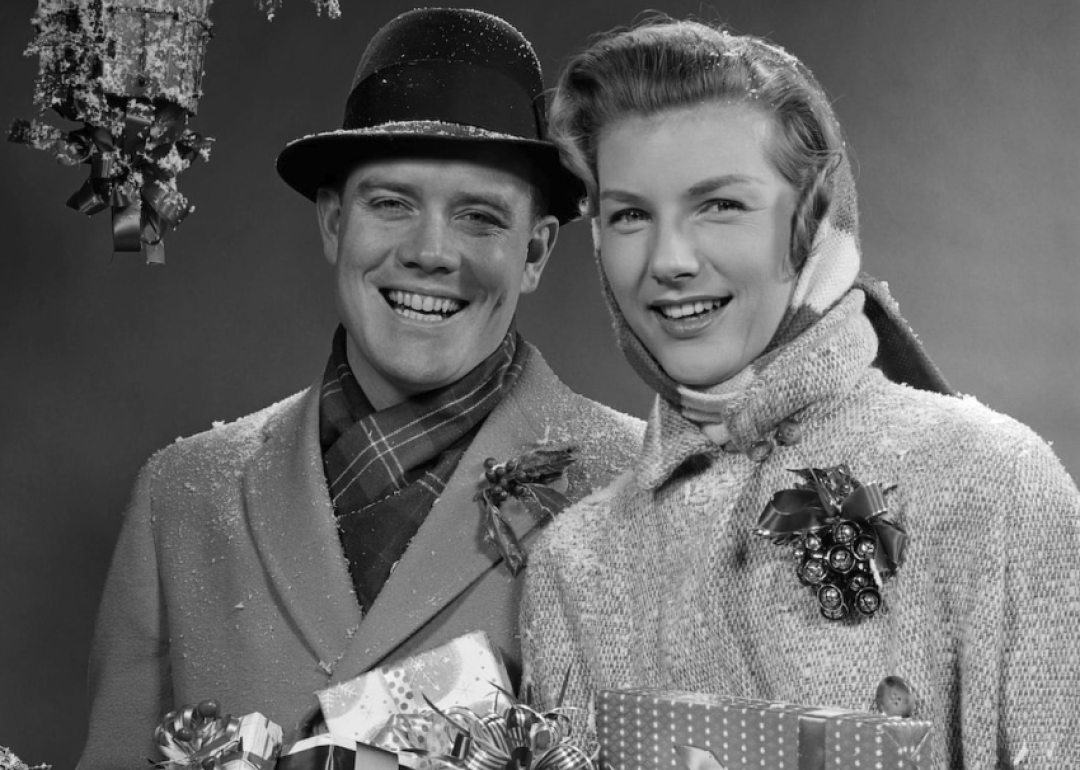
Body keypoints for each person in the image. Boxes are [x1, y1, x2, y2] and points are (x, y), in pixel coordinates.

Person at [77, 9, 644, 768]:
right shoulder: (179, 498)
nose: (431, 252)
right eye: (391, 204)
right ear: (334, 223)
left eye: (480, 217)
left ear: (535, 252)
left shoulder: (638, 488)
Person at [519, 18, 1080, 769]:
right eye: (629, 215)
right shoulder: (572, 562)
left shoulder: (995, 482)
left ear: (810, 220)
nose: (669, 260)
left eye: (719, 204)